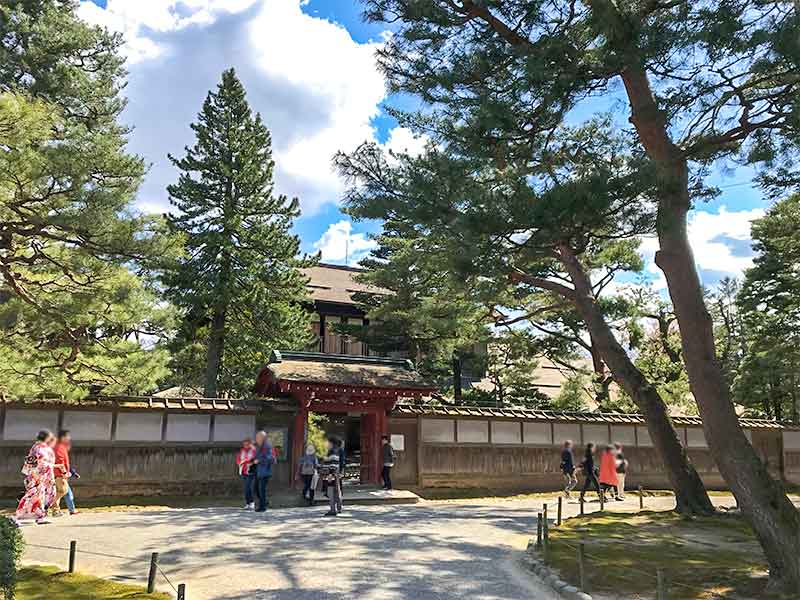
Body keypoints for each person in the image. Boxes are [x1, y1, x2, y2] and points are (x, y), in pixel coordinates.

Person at [16, 430, 59, 524]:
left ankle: (41, 516)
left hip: (46, 476)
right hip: (38, 476)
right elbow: (32, 463)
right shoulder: (37, 448)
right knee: (34, 496)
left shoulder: (44, 447)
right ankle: (19, 516)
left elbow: (49, 462)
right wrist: (35, 476)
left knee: (48, 495)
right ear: (47, 437)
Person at [53, 430, 78, 516]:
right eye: (68, 436)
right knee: (63, 491)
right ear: (63, 438)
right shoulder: (59, 447)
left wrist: (72, 472)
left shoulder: (59, 446)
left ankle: (60, 510)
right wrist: (64, 473)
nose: (69, 438)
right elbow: (60, 460)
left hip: (60, 473)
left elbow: (66, 462)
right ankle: (47, 504)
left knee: (64, 491)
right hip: (59, 474)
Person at [253, 430, 276, 513]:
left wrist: (259, 460)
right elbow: (256, 456)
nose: (256, 439)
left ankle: (262, 507)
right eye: (256, 437)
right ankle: (264, 502)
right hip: (259, 471)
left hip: (265, 471)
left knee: (261, 489)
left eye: (258, 437)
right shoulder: (259, 446)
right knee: (256, 488)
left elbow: (269, 458)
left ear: (263, 438)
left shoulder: (267, 446)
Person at [321, 438, 343, 516]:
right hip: (332, 474)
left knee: (331, 492)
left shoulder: (332, 452)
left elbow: (334, 464)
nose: (326, 444)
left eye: (327, 443)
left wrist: (330, 474)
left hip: (331, 475)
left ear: (331, 444)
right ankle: (338, 507)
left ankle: (333, 509)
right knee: (336, 491)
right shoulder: (330, 452)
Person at [236, 437, 256, 509]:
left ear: (250, 444)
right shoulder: (242, 451)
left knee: (249, 487)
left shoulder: (254, 451)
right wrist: (240, 463)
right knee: (245, 488)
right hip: (243, 471)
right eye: (244, 444)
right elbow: (238, 459)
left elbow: (254, 459)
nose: (246, 445)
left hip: (251, 471)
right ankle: (248, 503)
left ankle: (252, 503)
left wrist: (245, 461)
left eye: (247, 444)